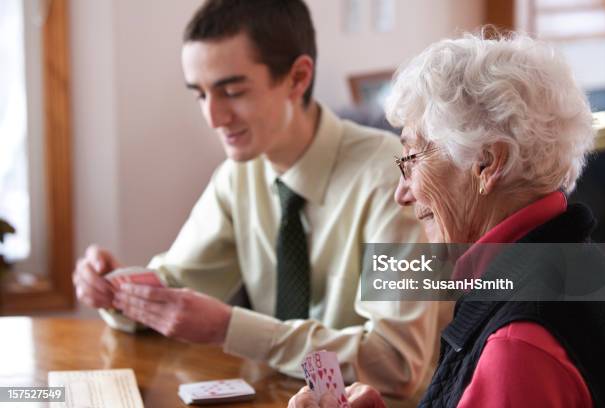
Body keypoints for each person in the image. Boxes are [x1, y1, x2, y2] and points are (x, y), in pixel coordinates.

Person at [72, 0, 449, 398]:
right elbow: (174, 290)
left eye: (232, 91)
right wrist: (117, 292)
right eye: (200, 95)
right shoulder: (238, 178)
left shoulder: (393, 182)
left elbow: (397, 364)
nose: (213, 117)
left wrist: (228, 328)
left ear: (298, 78)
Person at [289, 31, 605, 408]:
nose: (401, 193)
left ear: (487, 164)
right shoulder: (575, 261)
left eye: (411, 159)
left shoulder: (516, 346)